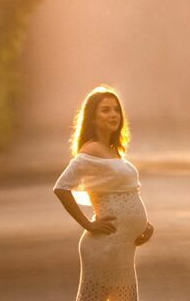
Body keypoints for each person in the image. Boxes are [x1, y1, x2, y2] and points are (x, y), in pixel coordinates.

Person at [52, 86, 154, 301]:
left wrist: (142, 226)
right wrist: (87, 224)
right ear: (92, 117)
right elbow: (61, 188)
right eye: (105, 110)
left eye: (116, 109)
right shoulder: (91, 150)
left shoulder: (113, 150)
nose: (114, 114)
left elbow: (121, 193)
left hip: (122, 249)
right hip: (104, 248)